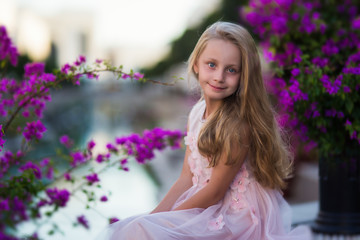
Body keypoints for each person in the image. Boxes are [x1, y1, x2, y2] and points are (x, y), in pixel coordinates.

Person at [96, 21, 312, 240]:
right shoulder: (197, 112)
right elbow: (186, 178)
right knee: (136, 226)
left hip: (233, 217)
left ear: (243, 76)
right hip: (205, 204)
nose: (219, 76)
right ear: (196, 64)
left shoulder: (236, 126)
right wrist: (155, 217)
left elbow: (214, 192)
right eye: (211, 64)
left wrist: (164, 223)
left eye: (231, 70)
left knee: (144, 230)